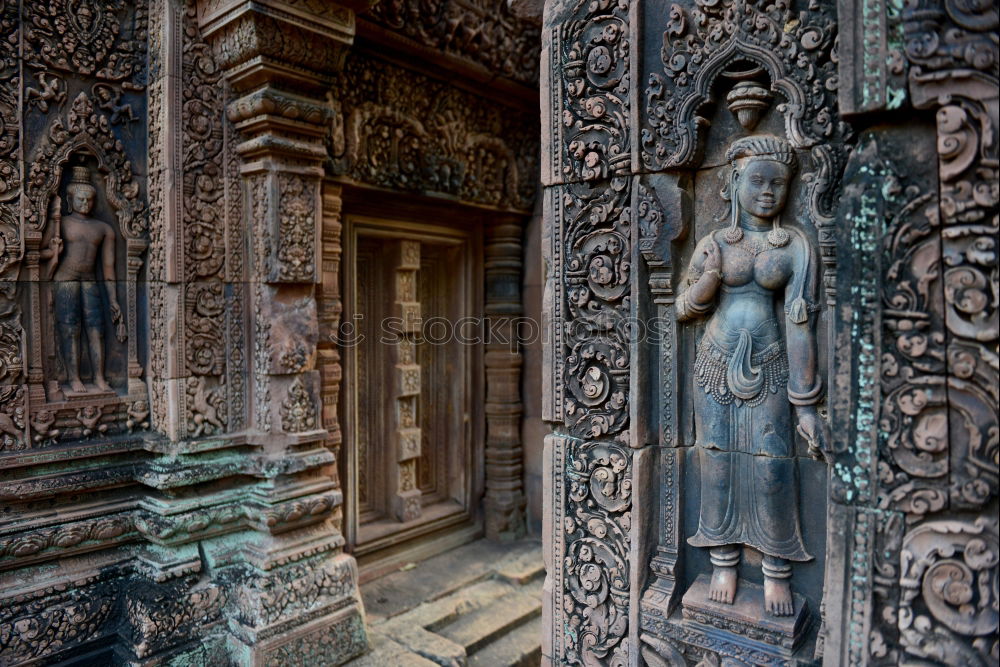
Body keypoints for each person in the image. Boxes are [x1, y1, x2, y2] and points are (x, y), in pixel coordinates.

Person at [676, 135, 827, 616]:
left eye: (778, 184)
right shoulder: (716, 242)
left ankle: (776, 570)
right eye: (757, 181)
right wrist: (710, 278)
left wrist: (805, 405)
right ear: (733, 182)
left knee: (773, 464)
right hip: (716, 361)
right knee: (715, 462)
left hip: (771, 363)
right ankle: (722, 561)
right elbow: (684, 307)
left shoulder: (795, 246)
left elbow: (800, 324)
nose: (768, 192)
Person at [40, 166, 125, 394]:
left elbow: (108, 268)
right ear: (70, 199)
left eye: (89, 199)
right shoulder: (62, 223)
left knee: (96, 329)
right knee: (70, 328)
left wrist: (114, 299)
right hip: (65, 279)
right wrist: (53, 251)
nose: (85, 204)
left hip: (90, 281)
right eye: (80, 199)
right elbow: (38, 252)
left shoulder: (104, 228)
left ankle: (99, 377)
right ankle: (74, 377)